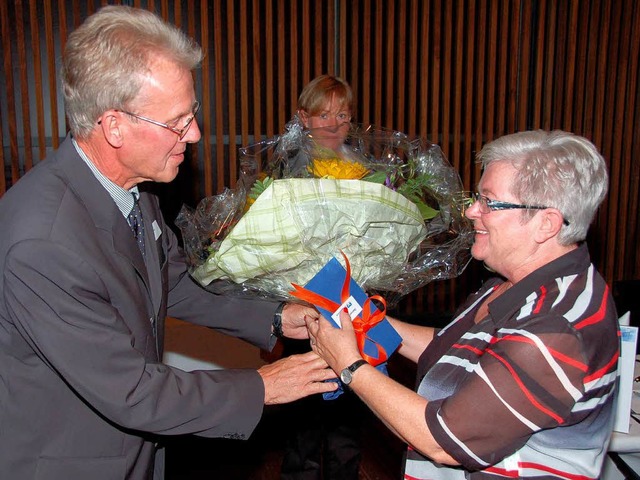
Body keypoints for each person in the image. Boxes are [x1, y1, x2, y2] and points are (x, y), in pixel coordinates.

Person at [0, 6, 338, 480]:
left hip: (133, 451)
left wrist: (277, 315)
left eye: (192, 114)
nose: (195, 134)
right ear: (114, 126)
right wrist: (262, 386)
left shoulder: (131, 189)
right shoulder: (43, 243)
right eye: (177, 122)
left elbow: (171, 280)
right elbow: (133, 392)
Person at [306, 130, 619, 479]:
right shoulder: (513, 285)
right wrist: (359, 317)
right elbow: (457, 350)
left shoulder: (553, 326)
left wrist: (349, 364)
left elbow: (446, 440)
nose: (472, 211)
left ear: (546, 223)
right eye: (477, 197)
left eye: (490, 201)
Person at [277, 75, 365, 480]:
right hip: (305, 305)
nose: (333, 124)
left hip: (354, 304)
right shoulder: (287, 169)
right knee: (305, 416)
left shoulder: (367, 170)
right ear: (303, 118)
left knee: (353, 407)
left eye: (342, 114)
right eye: (323, 114)